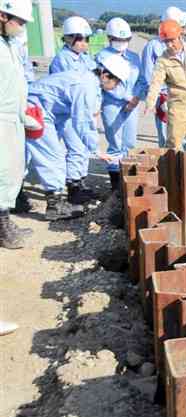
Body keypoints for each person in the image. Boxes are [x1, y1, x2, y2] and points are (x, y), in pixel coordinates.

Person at [26, 54, 126, 221]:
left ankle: (18, 198)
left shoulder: (90, 82)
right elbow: (82, 120)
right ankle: (55, 205)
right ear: (105, 74)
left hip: (49, 111)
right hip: (36, 110)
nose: (115, 86)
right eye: (115, 82)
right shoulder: (85, 85)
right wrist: (96, 149)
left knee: (40, 154)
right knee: (53, 156)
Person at [144, 19, 186, 151]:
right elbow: (155, 83)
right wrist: (150, 102)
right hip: (178, 110)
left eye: (172, 40)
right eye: (166, 42)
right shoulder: (163, 60)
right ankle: (172, 172)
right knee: (173, 147)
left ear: (180, 36)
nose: (170, 45)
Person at [49, 15, 98, 204]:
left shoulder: (85, 59)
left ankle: (81, 182)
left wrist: (95, 107)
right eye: (81, 39)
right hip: (69, 112)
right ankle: (73, 187)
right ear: (69, 38)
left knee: (83, 148)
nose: (84, 43)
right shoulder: (62, 60)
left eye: (87, 39)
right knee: (76, 147)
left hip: (84, 110)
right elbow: (71, 88)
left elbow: (93, 81)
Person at [97, 17, 147, 193]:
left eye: (125, 40)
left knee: (130, 143)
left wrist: (135, 98)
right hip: (112, 104)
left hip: (132, 104)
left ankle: (129, 182)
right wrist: (126, 97)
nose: (122, 43)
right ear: (110, 38)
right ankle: (115, 185)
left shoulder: (133, 58)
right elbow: (105, 83)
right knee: (115, 143)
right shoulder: (102, 57)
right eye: (118, 40)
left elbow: (141, 81)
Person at [0, 0, 34, 251]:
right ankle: (2, 229)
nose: (22, 27)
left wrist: (23, 112)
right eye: (19, 22)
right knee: (2, 173)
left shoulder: (9, 45)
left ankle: (5, 221)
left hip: (13, 117)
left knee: (12, 172)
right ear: (3, 15)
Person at [141, 6, 183, 147]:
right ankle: (167, 167)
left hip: (181, 97)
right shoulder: (153, 46)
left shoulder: (184, 45)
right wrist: (153, 99)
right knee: (165, 139)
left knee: (183, 139)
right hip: (163, 96)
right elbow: (148, 74)